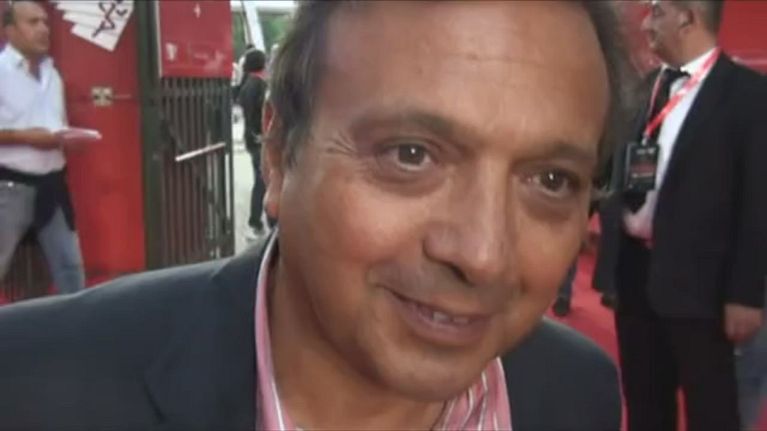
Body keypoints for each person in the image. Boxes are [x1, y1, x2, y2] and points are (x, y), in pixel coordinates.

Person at [0, 2, 632, 429]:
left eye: (551, 180)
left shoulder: (577, 394)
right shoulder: (31, 387)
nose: (484, 255)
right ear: (279, 154)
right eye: (411, 155)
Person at [596, 1, 767, 430]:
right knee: (645, 408)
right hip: (635, 278)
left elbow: (758, 202)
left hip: (705, 289)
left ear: (688, 17)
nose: (646, 24)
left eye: (657, 12)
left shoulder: (749, 95)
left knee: (713, 412)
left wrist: (747, 294)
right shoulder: (647, 87)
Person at [0, 0, 96, 294]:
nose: (43, 29)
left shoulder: (53, 75)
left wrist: (67, 139)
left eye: (45, 22)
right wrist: (26, 138)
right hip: (9, 189)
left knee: (70, 270)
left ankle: (76, 323)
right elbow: (32, 134)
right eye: (33, 22)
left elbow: (56, 126)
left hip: (53, 188)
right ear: (9, 30)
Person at [238, 49, 268, 234]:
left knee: (262, 180)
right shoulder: (259, 85)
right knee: (263, 180)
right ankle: (256, 220)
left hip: (251, 138)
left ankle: (259, 220)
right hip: (260, 139)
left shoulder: (247, 84)